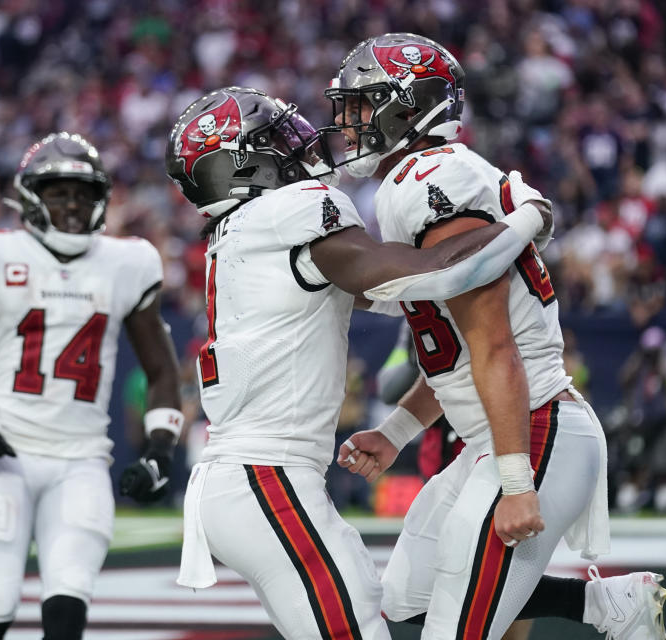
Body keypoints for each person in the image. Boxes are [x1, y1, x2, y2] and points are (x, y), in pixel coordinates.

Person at [166, 86, 553, 640]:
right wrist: (525, 220)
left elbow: (405, 297)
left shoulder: (248, 233)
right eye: (275, 138)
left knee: (383, 605)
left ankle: (598, 604)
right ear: (241, 165)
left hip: (253, 478)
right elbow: (436, 275)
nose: (299, 141)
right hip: (264, 478)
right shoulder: (289, 212)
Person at [327, 33, 666, 640]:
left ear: (409, 108)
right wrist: (395, 432)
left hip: (534, 429)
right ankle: (602, 606)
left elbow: (493, 345)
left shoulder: (432, 177)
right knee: (407, 597)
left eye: (362, 105)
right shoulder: (426, 176)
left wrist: (517, 482)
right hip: (505, 429)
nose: (349, 122)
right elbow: (458, 355)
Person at [0, 132, 183, 640]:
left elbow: (162, 371)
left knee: (66, 609)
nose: (72, 204)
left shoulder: (126, 263)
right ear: (29, 198)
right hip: (6, 455)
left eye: (83, 194)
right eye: (59, 192)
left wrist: (160, 450)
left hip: (81, 461)